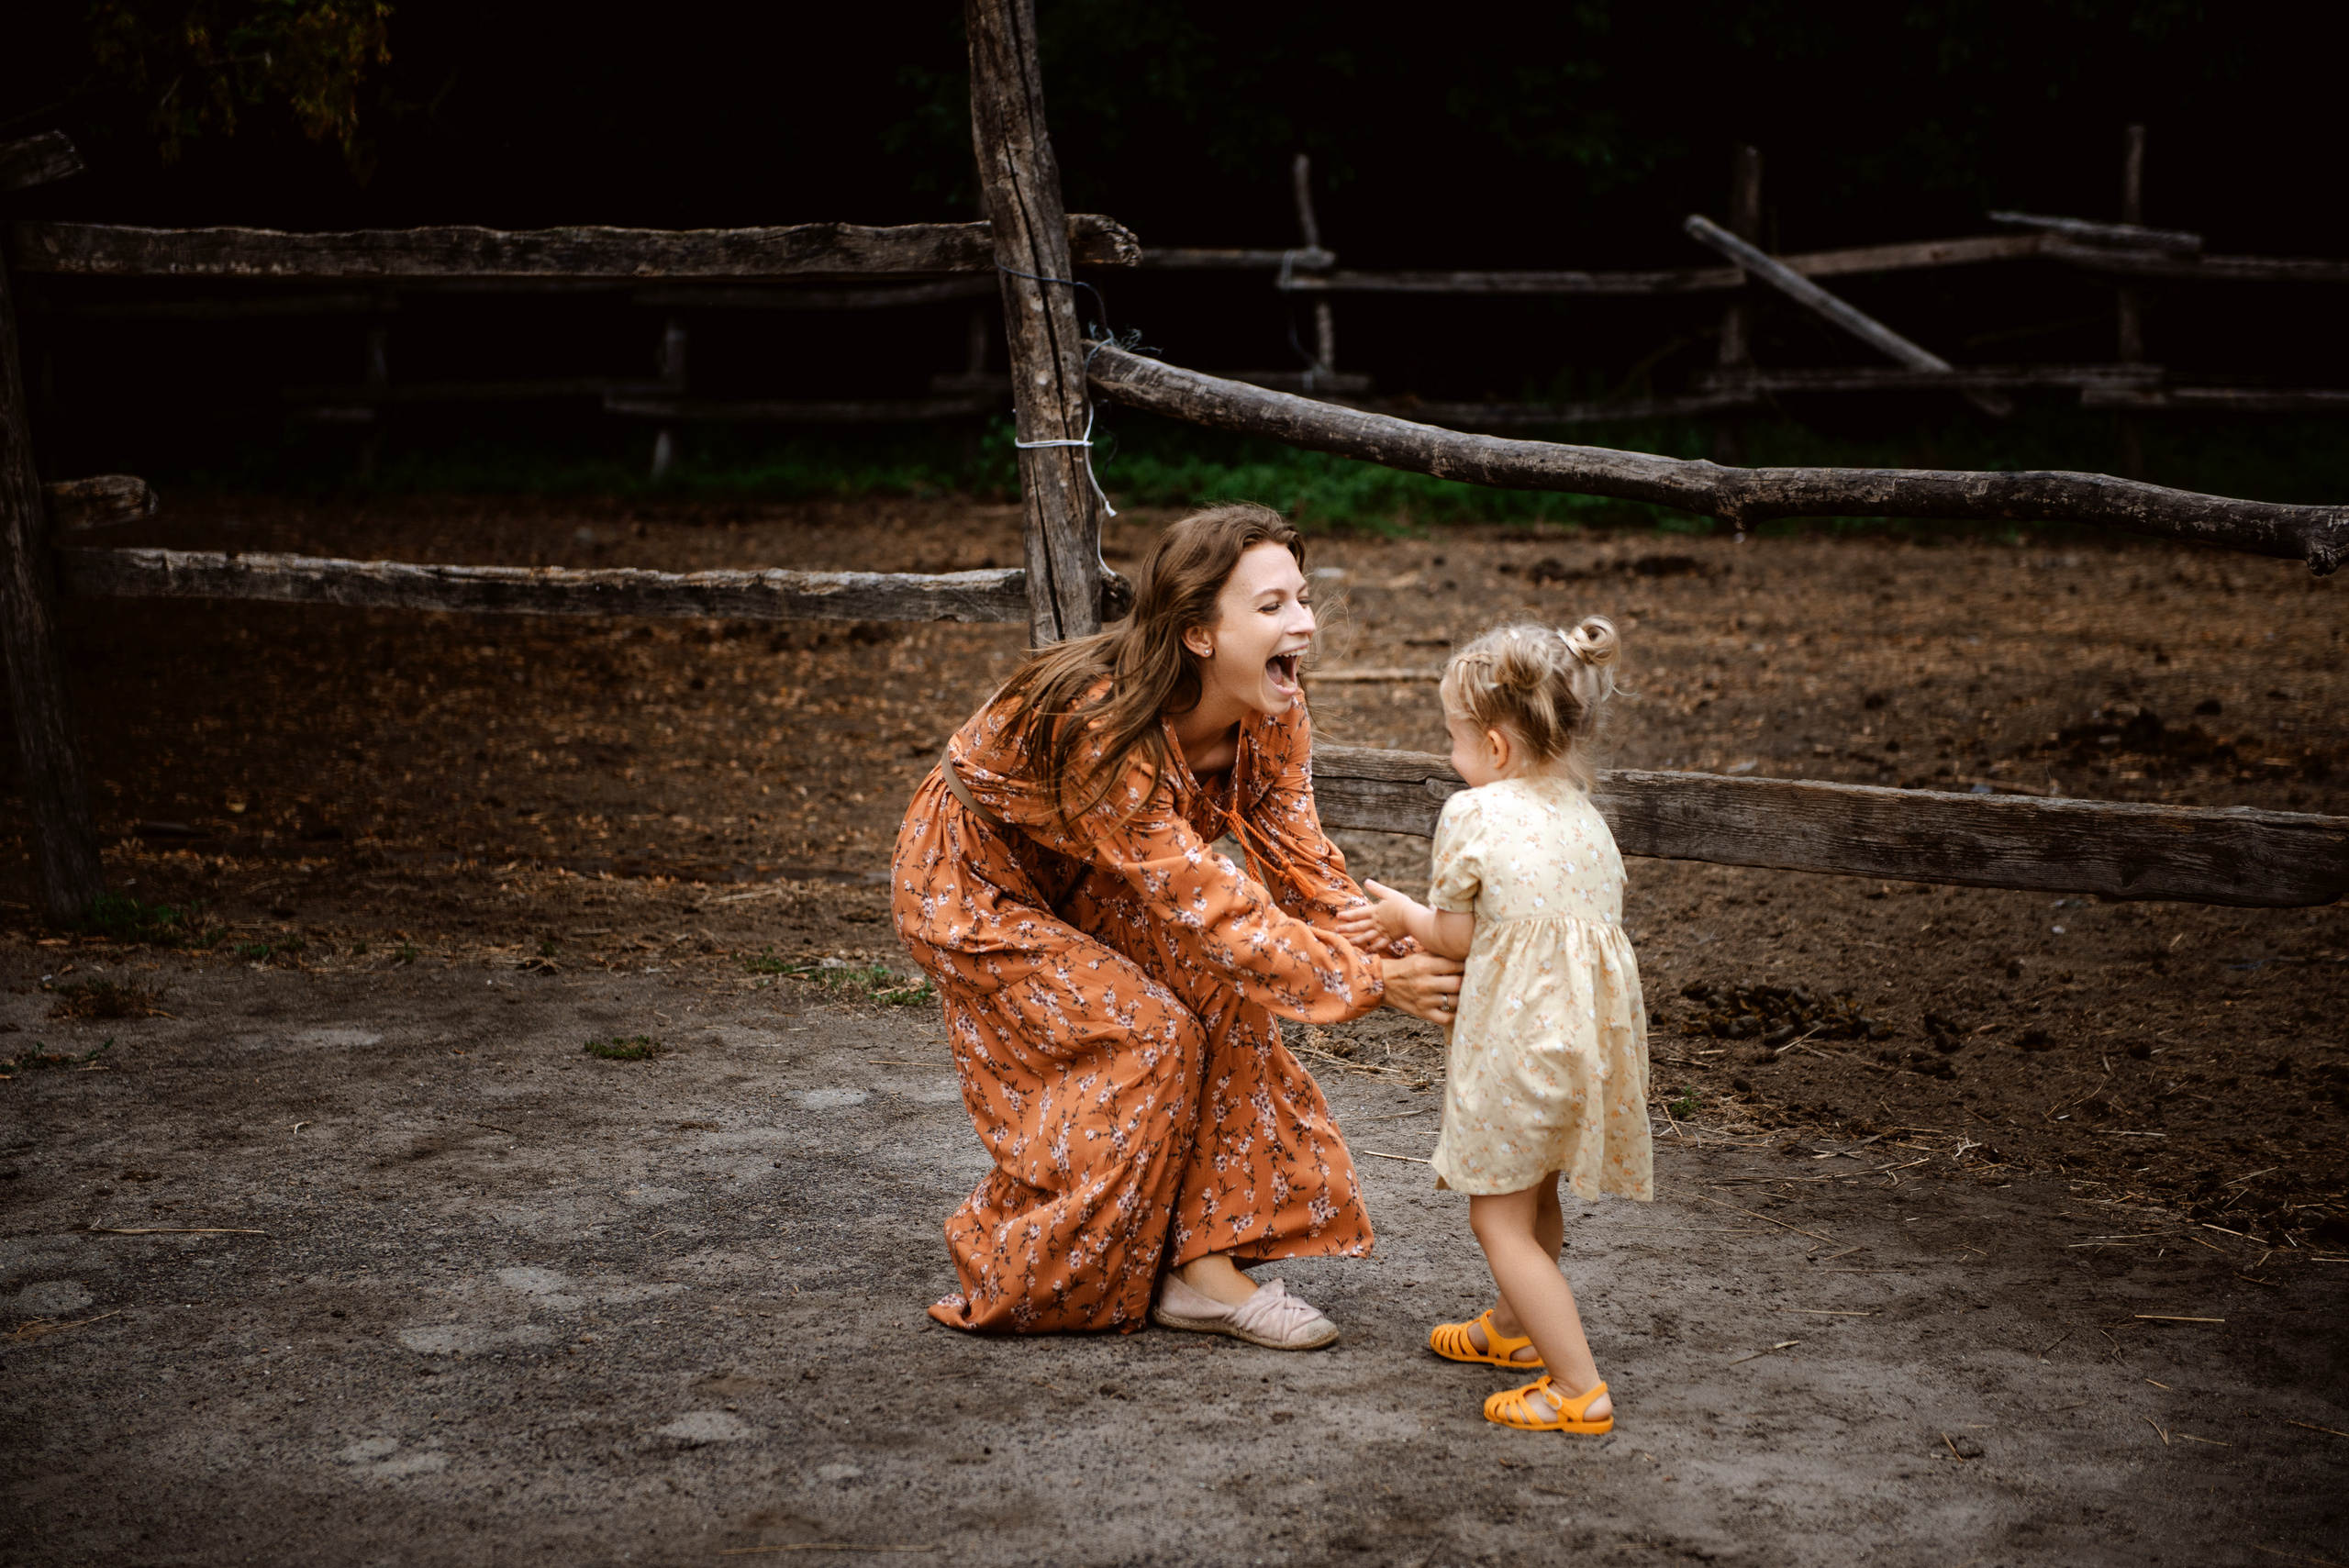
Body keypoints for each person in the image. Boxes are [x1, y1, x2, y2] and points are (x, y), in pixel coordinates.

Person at [892, 504, 1464, 1348]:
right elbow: (1218, 907)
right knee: (1149, 1032)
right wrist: (1375, 983)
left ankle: (1201, 1270)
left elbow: (1305, 867)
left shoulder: (1275, 714)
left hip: (1098, 862)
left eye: (1302, 599)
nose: (1304, 623)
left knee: (1226, 992)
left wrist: (1407, 942)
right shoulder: (1103, 720)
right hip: (975, 883)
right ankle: (1046, 1269)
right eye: (1272, 607)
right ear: (1198, 633)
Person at [1337, 617, 1650, 1434]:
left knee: (1496, 1216)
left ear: (1497, 746)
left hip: (1517, 1046)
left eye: (1452, 738)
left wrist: (1403, 912)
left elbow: (1461, 935)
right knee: (1537, 1185)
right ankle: (1514, 1329)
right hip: (1585, 1047)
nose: (1450, 756)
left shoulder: (1474, 813)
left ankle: (1578, 1388)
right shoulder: (1588, 819)